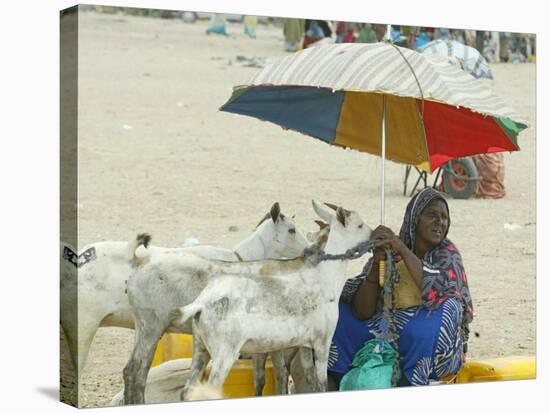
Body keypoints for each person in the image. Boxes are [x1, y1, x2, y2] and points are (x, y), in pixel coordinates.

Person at [327, 187, 474, 389]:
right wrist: (376, 264)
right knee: (341, 312)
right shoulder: (390, 248)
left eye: (444, 217)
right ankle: (335, 379)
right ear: (414, 218)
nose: (440, 222)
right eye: (431, 215)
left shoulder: (447, 254)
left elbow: (436, 290)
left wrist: (402, 250)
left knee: (448, 308)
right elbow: (362, 312)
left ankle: (411, 382)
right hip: (387, 329)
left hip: (431, 346)